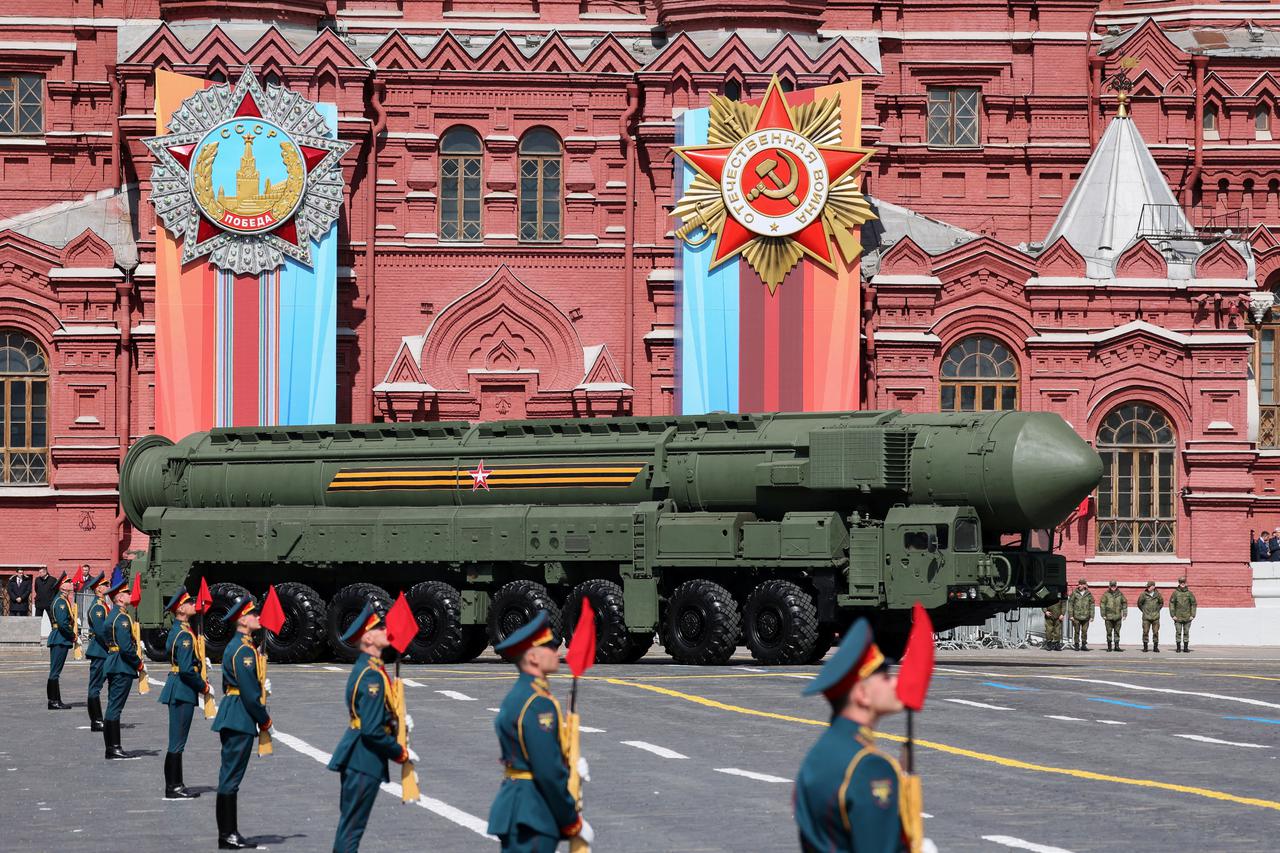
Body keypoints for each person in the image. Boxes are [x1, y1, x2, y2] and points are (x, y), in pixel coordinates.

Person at [795, 619, 915, 853]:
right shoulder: (870, 768)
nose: (895, 682)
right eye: (885, 676)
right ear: (862, 694)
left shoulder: (821, 754)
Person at [487, 611, 593, 853]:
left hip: (521, 807)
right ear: (533, 657)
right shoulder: (537, 703)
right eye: (550, 648)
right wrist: (572, 821)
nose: (557, 652)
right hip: (533, 812)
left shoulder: (520, 695)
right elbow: (546, 769)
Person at [328, 604, 415, 852]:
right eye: (379, 628)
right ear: (367, 638)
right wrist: (399, 752)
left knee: (350, 826)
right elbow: (371, 729)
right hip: (363, 758)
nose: (386, 630)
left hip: (359, 756)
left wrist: (394, 721)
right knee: (352, 829)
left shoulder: (372, 669)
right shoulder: (371, 675)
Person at [211, 594, 271, 850]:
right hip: (239, 716)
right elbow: (247, 691)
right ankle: (227, 835)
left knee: (230, 776)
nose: (259, 618)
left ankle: (229, 832)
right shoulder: (243, 650)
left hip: (234, 713)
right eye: (254, 615)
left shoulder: (242, 646)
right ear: (243, 619)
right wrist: (264, 718)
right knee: (230, 778)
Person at [159, 587, 212, 800]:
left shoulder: (180, 630)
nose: (194, 605)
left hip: (179, 687)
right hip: (182, 689)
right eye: (189, 603)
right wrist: (204, 686)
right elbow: (186, 669)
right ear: (180, 609)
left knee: (177, 740)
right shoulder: (184, 635)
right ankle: (173, 787)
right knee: (177, 741)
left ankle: (176, 783)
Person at [103, 571, 145, 759]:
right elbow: (127, 648)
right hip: (122, 665)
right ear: (119, 598)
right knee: (115, 707)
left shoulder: (113, 616)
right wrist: (139, 664)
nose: (130, 595)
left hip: (113, 662)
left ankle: (112, 747)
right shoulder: (121, 619)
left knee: (113, 705)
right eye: (127, 593)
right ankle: (113, 747)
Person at [46, 572, 76, 710]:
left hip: (59, 636)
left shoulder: (62, 600)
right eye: (68, 582)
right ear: (63, 587)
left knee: (55, 671)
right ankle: (53, 701)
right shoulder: (61, 602)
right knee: (55, 671)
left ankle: (55, 699)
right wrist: (72, 635)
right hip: (60, 637)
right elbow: (63, 624)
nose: (71, 584)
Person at [84, 571, 111, 730]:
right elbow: (101, 631)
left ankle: (101, 719)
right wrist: (112, 646)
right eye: (105, 585)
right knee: (95, 686)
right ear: (98, 589)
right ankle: (96, 720)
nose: (108, 586)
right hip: (100, 650)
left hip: (103, 650)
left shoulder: (103, 605)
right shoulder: (97, 607)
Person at [1169, 577, 1198, 653]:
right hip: (1177, 617)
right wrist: (1173, 615)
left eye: (1184, 582)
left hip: (1187, 616)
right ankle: (1178, 648)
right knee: (1178, 632)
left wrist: (1193, 615)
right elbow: (1171, 604)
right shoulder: (1175, 593)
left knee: (1186, 632)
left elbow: (1193, 604)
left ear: (1185, 583)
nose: (1182, 583)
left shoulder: (1189, 593)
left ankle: (1185, 648)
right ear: (1179, 583)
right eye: (1181, 582)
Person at [1099, 580, 1128, 652]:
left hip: (1118, 616)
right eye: (1112, 586)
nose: (1113, 587)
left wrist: (1124, 614)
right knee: (1109, 632)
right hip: (1108, 617)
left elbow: (1124, 603)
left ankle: (1117, 646)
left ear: (1116, 586)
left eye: (1114, 586)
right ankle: (1109, 647)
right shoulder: (1106, 594)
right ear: (1109, 586)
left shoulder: (1120, 594)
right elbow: (1102, 604)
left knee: (1117, 632)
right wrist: (1103, 614)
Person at [1135, 580, 1163, 653]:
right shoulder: (1143, 595)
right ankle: (1145, 647)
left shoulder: (1158, 595)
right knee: (1145, 632)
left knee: (1156, 632)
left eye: (1149, 586)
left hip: (1155, 617)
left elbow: (1161, 603)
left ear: (1153, 587)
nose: (1148, 588)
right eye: (1147, 587)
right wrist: (1144, 610)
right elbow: (1139, 604)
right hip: (1146, 617)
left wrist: (1157, 610)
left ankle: (1155, 647)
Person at [1067, 578, 1095, 651]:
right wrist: (1071, 615)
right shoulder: (1075, 593)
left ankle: (1083, 645)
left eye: (1081, 584)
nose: (1079, 585)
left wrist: (1092, 616)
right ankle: (1076, 644)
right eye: (1079, 584)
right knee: (1076, 631)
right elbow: (1070, 604)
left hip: (1086, 617)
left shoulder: (1089, 594)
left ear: (1084, 585)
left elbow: (1092, 605)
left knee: (1084, 631)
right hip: (1076, 616)